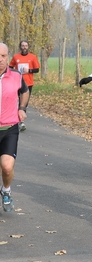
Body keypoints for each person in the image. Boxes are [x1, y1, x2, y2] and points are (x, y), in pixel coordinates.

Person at [0, 42, 30, 212]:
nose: (0, 59)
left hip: (9, 128)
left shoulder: (16, 76)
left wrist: (22, 108)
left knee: (7, 166)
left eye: (3, 56)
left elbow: (24, 91)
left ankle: (6, 190)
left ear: (8, 57)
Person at [9, 40, 40, 132]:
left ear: (28, 47)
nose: (24, 47)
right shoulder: (16, 57)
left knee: (24, 103)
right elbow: (10, 67)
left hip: (28, 83)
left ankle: (21, 121)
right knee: (15, 101)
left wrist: (29, 71)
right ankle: (15, 120)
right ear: (20, 47)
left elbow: (37, 69)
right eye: (22, 45)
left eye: (26, 45)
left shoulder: (33, 57)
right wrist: (14, 74)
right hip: (17, 82)